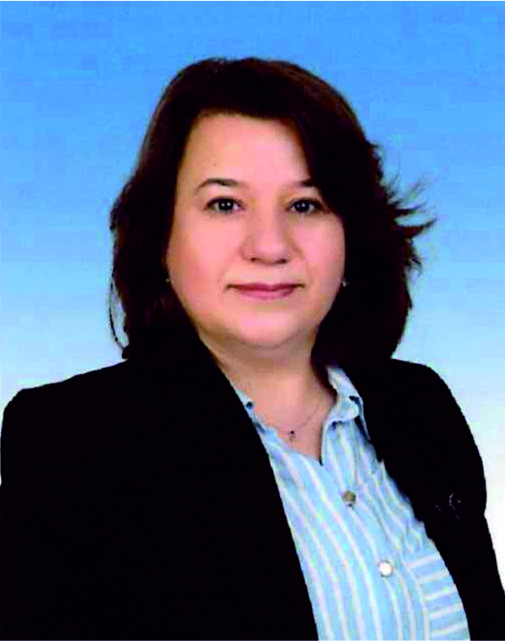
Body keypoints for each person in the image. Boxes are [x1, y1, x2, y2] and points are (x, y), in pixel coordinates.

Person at [1, 57, 503, 641]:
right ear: (162, 238)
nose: (269, 246)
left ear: (351, 236)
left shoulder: (421, 407)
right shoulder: (73, 443)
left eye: (305, 205)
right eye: (225, 204)